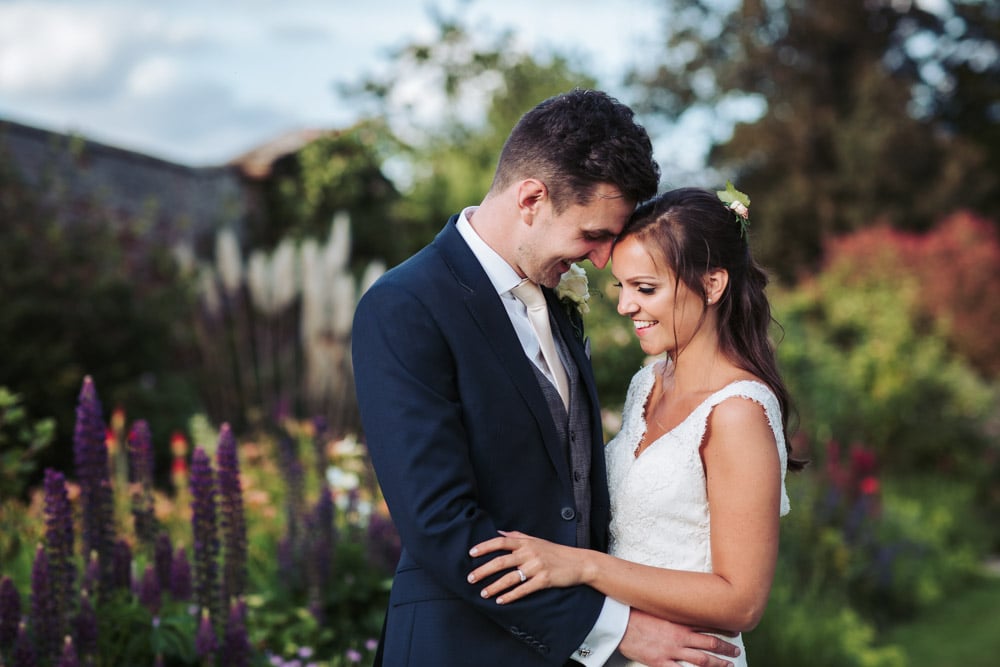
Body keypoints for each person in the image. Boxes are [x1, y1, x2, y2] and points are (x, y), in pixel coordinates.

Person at [352, 91, 742, 667]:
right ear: (531, 198)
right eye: (593, 235)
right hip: (460, 648)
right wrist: (614, 629)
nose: (605, 261)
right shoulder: (406, 305)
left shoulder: (557, 302)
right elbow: (439, 525)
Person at [466, 186, 804, 667]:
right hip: (618, 650)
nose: (625, 306)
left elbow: (742, 601)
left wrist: (582, 566)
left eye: (645, 288)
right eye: (622, 287)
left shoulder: (737, 412)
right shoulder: (648, 383)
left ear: (712, 284)